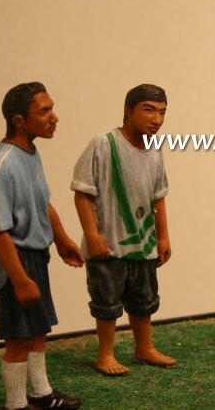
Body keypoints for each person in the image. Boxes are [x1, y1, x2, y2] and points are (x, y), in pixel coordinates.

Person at [0, 82, 84, 410]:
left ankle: (40, 394)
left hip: (36, 257)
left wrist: (63, 239)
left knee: (38, 330)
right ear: (19, 120)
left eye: (52, 108)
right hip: (15, 262)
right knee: (18, 338)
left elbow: (43, 201)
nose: (54, 118)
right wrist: (20, 279)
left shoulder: (31, 153)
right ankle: (15, 403)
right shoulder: (1, 165)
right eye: (44, 111)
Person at [71, 84, 175, 376]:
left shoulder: (154, 150)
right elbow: (82, 193)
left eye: (162, 112)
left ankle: (144, 347)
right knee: (107, 299)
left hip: (143, 243)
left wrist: (163, 235)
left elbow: (159, 195)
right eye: (149, 110)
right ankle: (105, 354)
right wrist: (92, 235)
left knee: (144, 298)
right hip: (109, 243)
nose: (157, 119)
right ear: (128, 110)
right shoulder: (103, 144)